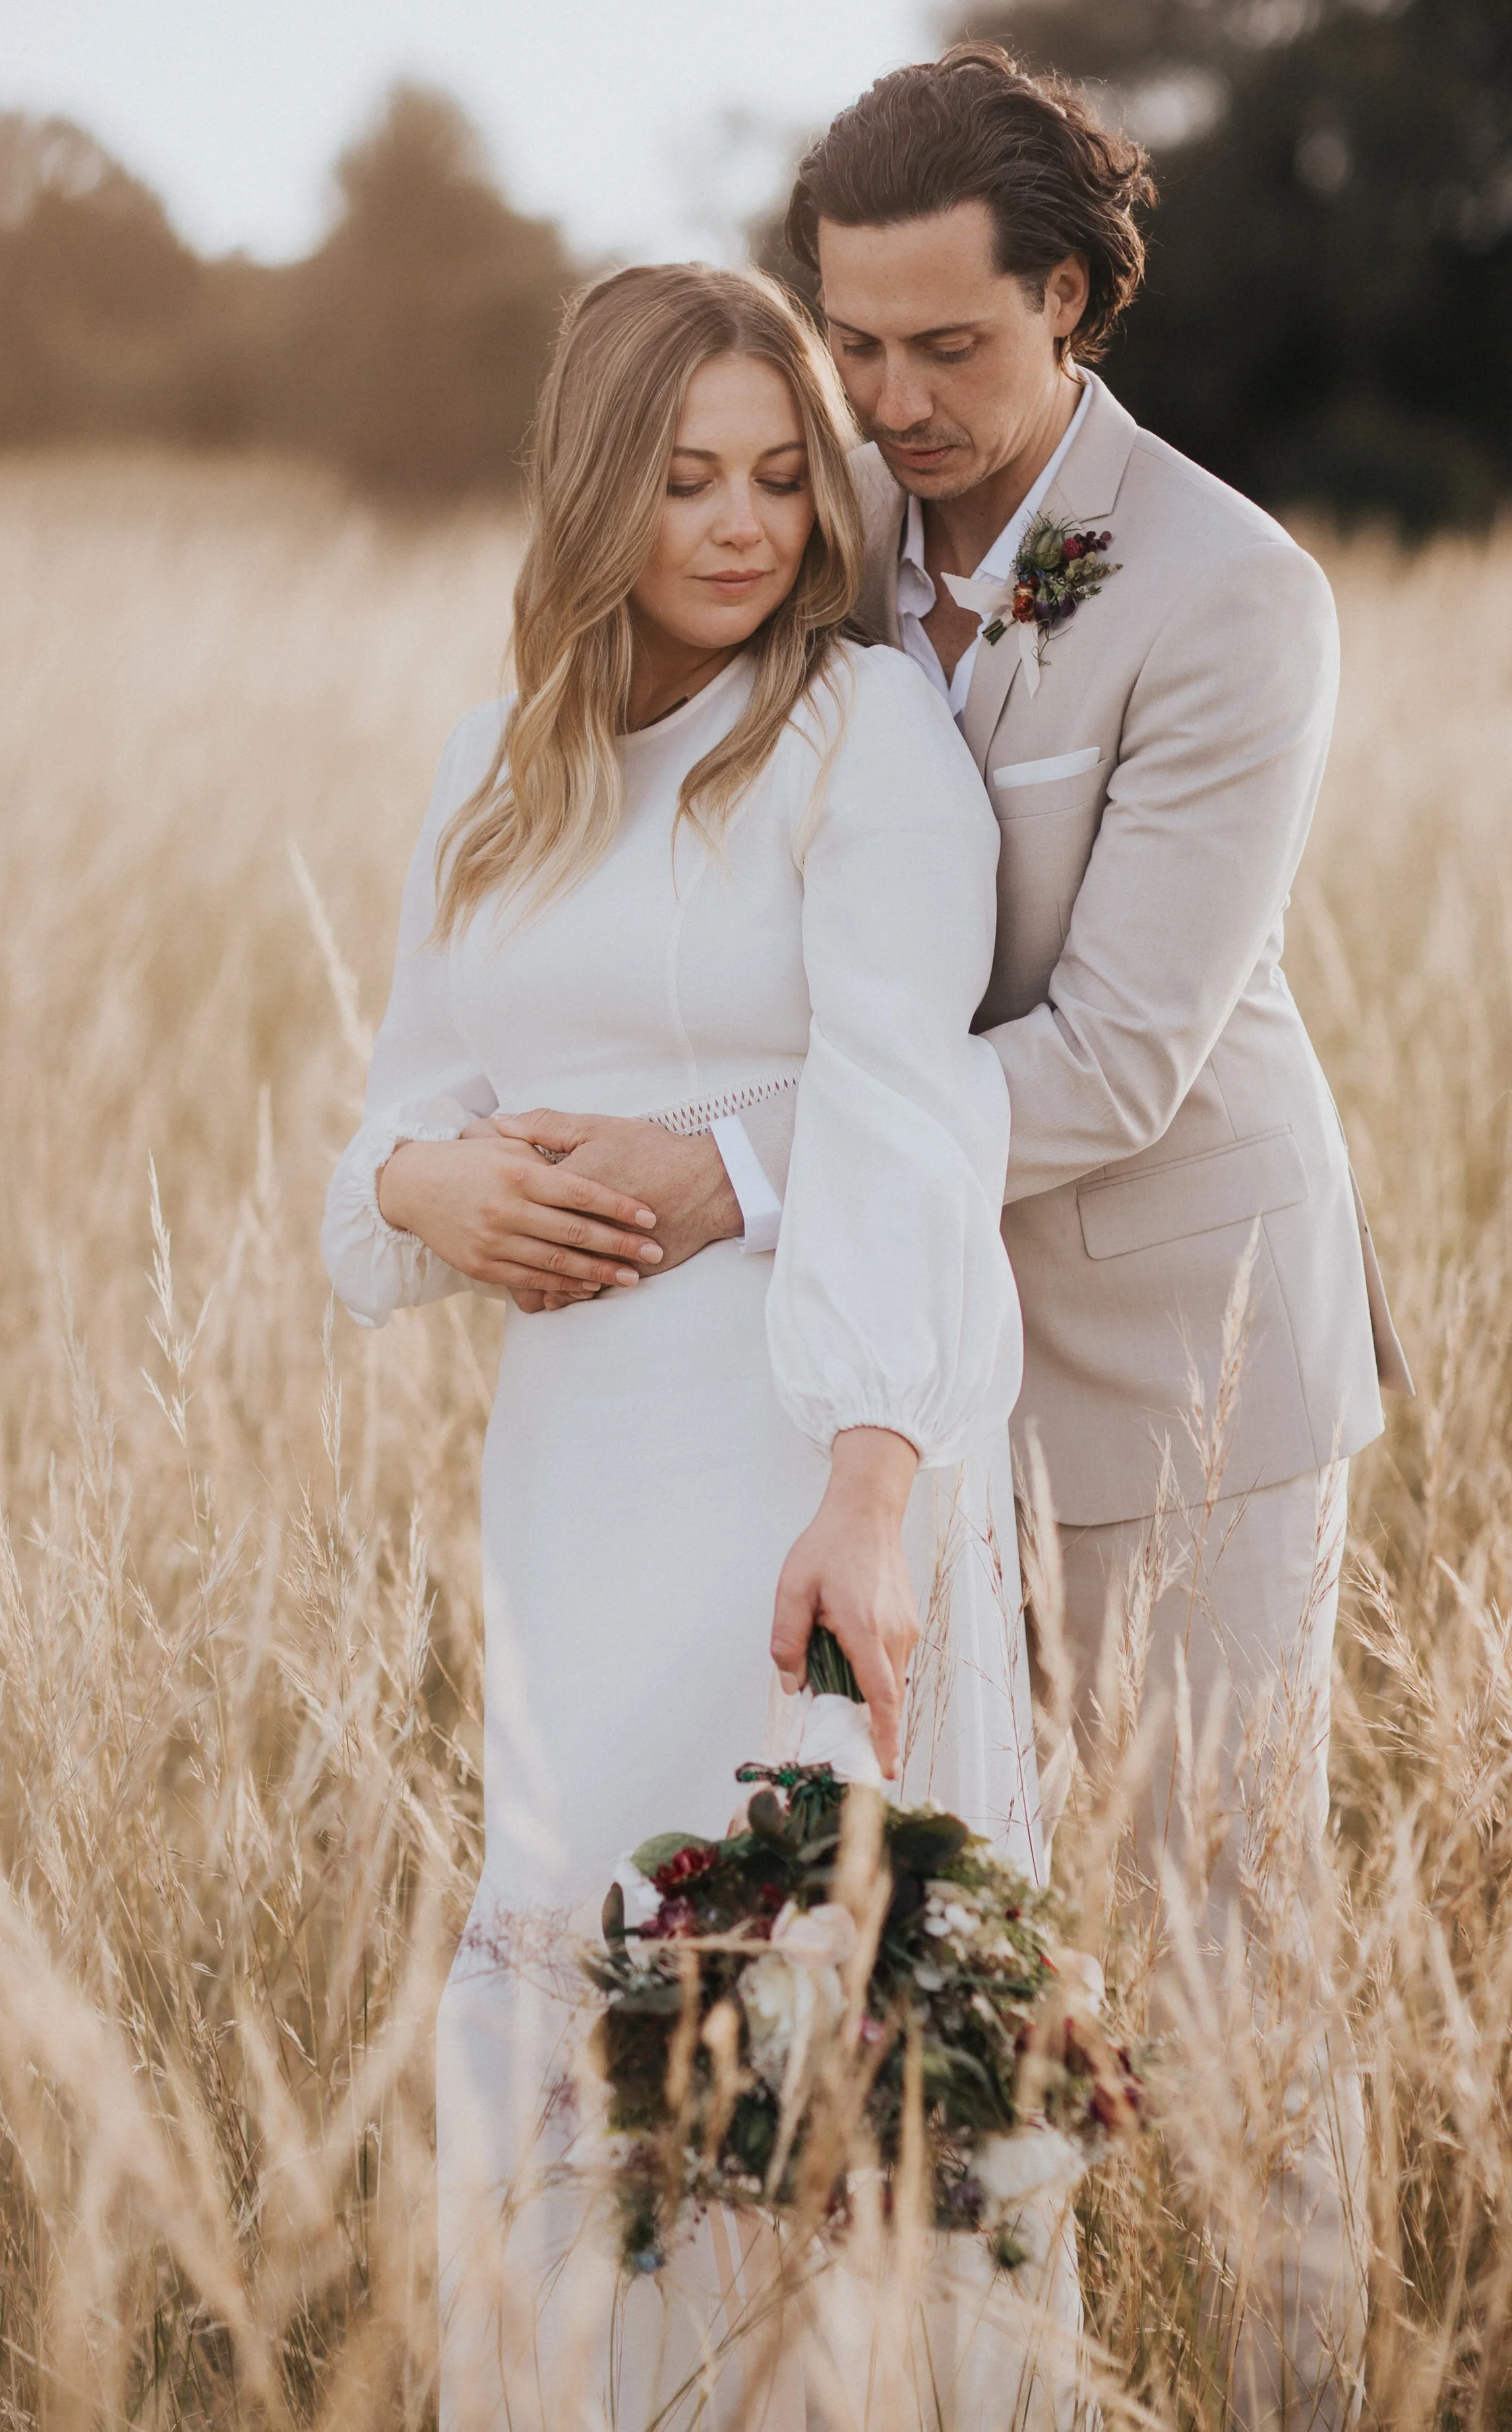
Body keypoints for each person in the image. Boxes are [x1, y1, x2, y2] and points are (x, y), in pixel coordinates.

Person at [502, 47, 1410, 2432]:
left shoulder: (1226, 594)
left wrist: (732, 1165)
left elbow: (1113, 1058)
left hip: (1172, 1348)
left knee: (1219, 1940)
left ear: (1075, 304)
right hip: (879, 1377)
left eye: (948, 348)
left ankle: (1303, 2389)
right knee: (935, 1930)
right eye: (853, 343)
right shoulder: (820, 534)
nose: (888, 403)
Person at [323, 262, 1050, 2429]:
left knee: (802, 1984)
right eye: (683, 480)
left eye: (776, 477)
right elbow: (393, 1114)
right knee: (574, 1951)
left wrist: (870, 1486)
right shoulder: (494, 769)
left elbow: (915, 1106)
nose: (741, 526)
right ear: (592, 493)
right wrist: (422, 1191)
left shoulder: (855, 730)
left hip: (801, 1449)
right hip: (575, 1473)